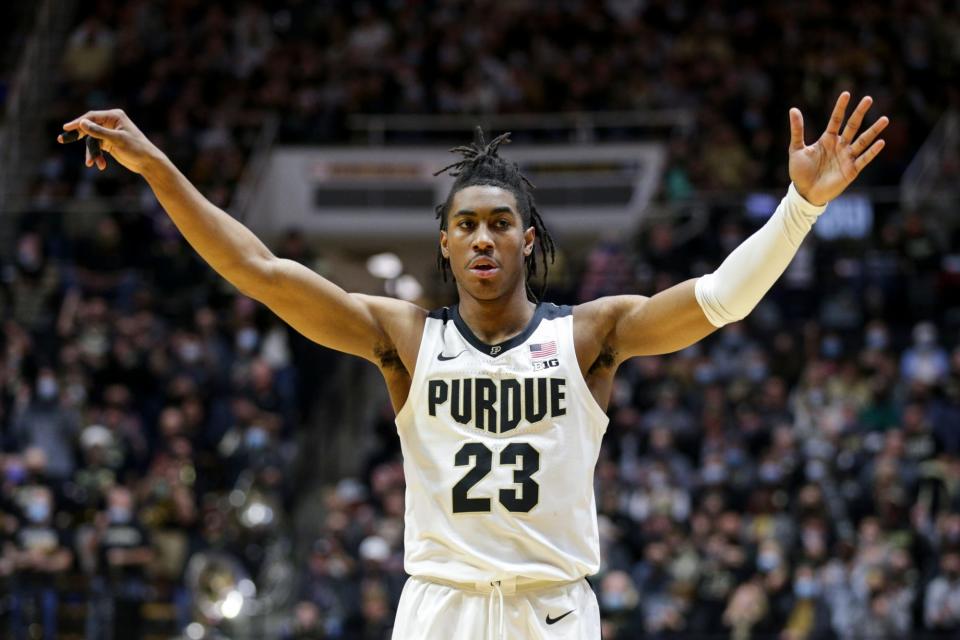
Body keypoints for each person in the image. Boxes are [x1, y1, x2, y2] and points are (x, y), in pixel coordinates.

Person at [58, 91, 887, 639]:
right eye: (468, 225)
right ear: (446, 245)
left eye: (501, 222)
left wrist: (801, 206)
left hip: (553, 612)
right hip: (439, 610)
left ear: (527, 238)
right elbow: (259, 271)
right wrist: (157, 167)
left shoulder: (591, 335)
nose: (485, 237)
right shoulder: (407, 337)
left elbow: (718, 300)